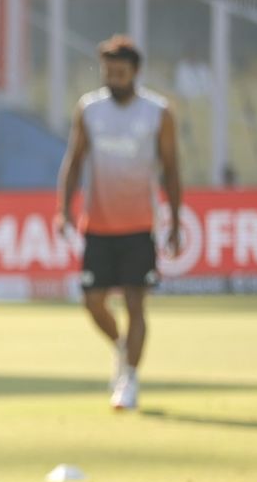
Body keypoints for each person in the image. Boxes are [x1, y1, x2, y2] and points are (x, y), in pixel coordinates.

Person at [55, 34, 182, 411]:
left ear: (135, 73)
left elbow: (171, 169)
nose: (113, 78)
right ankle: (123, 347)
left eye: (121, 72)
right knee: (93, 303)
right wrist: (64, 209)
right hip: (97, 224)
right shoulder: (89, 109)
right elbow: (74, 161)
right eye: (108, 71)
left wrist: (175, 220)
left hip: (139, 225)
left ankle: (128, 379)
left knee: (135, 304)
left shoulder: (158, 112)